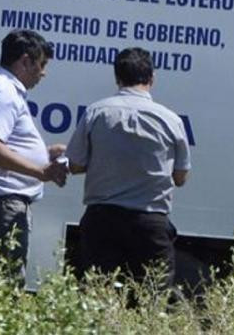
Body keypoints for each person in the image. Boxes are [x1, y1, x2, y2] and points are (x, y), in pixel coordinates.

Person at [66, 47, 191, 287]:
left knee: (99, 295)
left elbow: (76, 165)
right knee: (152, 298)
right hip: (150, 222)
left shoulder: (96, 112)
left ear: (117, 78)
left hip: (102, 219)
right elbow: (180, 177)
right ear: (152, 78)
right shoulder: (171, 120)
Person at [0, 29, 68, 279]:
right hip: (1, 199)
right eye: (41, 65)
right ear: (25, 60)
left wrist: (46, 153)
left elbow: (2, 144)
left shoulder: (3, 89)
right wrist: (41, 171)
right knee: (4, 284)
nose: (44, 73)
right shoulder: (3, 92)